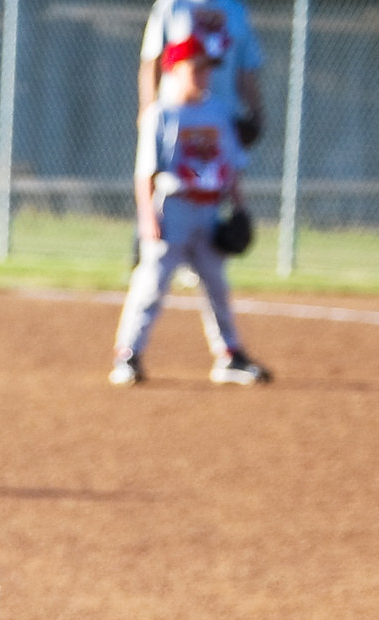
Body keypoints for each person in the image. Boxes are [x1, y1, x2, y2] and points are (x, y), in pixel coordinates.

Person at [111, 37, 270, 387]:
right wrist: (147, 218)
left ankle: (229, 355)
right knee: (151, 285)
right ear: (173, 70)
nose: (203, 75)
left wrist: (239, 207)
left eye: (207, 69)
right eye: (194, 68)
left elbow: (229, 167)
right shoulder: (161, 113)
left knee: (217, 286)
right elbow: (145, 173)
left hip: (209, 210)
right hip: (172, 210)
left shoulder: (219, 112)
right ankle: (128, 355)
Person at [138, 0, 267, 146]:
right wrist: (147, 112)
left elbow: (246, 70)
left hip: (222, 122)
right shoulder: (172, 6)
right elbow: (152, 62)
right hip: (177, 122)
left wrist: (256, 114)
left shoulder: (235, 10)